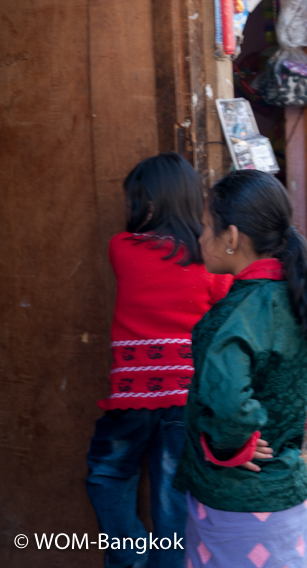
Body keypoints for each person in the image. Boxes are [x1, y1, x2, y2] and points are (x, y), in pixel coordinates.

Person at [174, 169, 307, 568]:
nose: (200, 237)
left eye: (206, 226)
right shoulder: (300, 297)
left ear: (232, 237)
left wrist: (232, 444)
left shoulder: (230, 317)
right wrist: (289, 412)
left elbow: (227, 403)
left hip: (232, 505)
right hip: (286, 500)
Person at [86, 152, 232, 568]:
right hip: (186, 401)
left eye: (136, 201)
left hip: (131, 399)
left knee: (107, 476)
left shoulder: (123, 248)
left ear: (151, 204)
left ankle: (131, 555)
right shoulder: (211, 265)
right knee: (172, 500)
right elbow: (225, 309)